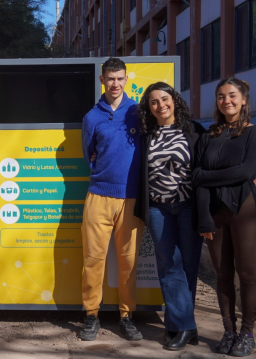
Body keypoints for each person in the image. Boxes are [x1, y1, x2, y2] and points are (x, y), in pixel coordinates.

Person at [193, 77, 256, 357]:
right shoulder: (207, 136)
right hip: (214, 212)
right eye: (222, 96)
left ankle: (247, 334)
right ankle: (229, 331)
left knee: (246, 273)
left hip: (244, 209)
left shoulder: (255, 133)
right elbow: (195, 181)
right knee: (222, 275)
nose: (227, 101)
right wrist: (203, 218)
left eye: (233, 95)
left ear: (244, 99)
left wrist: (205, 176)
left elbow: (246, 172)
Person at [134, 82, 206, 350]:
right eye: (154, 102)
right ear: (148, 108)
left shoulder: (194, 130)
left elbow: (213, 160)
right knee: (168, 266)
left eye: (164, 99)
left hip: (189, 207)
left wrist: (250, 176)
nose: (160, 105)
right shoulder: (145, 134)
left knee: (188, 266)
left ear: (174, 100)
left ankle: (178, 326)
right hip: (158, 208)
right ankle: (185, 326)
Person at [79, 57, 144, 342]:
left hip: (131, 198)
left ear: (126, 80)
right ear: (102, 80)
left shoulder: (140, 113)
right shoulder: (92, 117)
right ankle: (91, 314)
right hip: (99, 196)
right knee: (93, 260)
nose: (115, 84)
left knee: (128, 262)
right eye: (110, 78)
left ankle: (127, 316)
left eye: (120, 78)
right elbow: (88, 154)